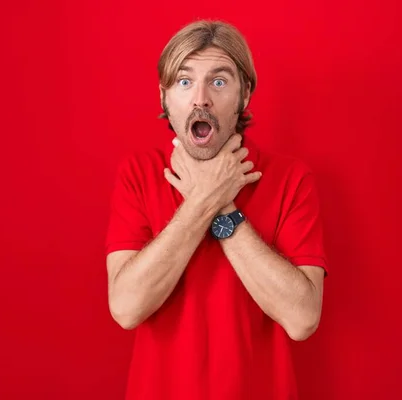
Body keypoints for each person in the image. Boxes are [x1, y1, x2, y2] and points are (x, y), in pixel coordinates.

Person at [105, 19, 328, 400]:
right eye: (185, 81)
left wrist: (224, 207)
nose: (201, 99)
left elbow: (302, 318)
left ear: (245, 95)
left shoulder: (292, 179)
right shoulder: (138, 175)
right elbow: (126, 308)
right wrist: (205, 200)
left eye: (219, 81)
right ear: (164, 97)